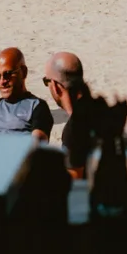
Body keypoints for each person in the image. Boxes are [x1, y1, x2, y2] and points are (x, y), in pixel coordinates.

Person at [0, 48, 53, 141]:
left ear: (23, 72)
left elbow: (37, 145)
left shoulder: (36, 106)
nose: (2, 81)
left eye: (8, 74)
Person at [43, 51, 93, 179]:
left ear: (55, 86)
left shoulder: (74, 130)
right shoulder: (99, 111)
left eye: (46, 81)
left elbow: (75, 184)